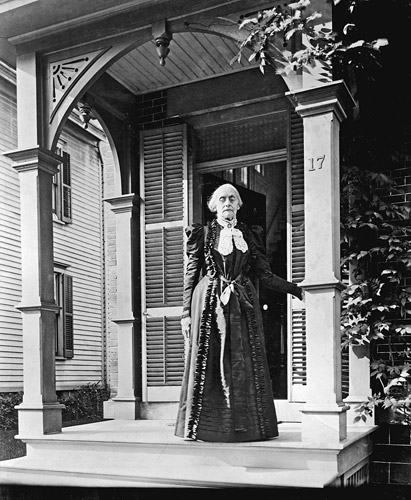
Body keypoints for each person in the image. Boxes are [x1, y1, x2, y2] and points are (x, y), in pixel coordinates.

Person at [175, 183, 303, 442]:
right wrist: (186, 313)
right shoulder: (203, 232)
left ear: (239, 205)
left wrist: (296, 289)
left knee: (244, 359)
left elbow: (264, 275)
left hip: (242, 302)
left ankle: (248, 426)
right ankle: (204, 427)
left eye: (232, 198)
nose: (227, 203)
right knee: (211, 359)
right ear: (213, 205)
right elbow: (191, 274)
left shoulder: (250, 234)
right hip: (209, 302)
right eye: (222, 198)